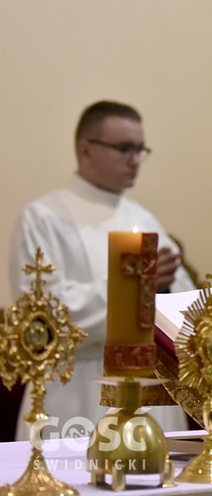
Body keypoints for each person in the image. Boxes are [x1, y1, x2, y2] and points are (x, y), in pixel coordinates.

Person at [8, 100, 195, 440]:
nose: (135, 160)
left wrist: (159, 289)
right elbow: (42, 316)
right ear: (85, 149)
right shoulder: (43, 217)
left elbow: (180, 305)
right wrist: (133, 287)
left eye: (141, 149)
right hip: (76, 388)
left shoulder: (144, 218)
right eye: (124, 148)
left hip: (148, 384)